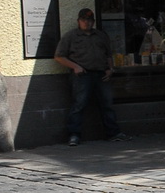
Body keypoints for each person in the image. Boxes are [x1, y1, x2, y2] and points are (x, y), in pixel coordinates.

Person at [54, 9, 126, 144]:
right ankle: (74, 135)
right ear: (78, 21)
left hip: (101, 74)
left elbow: (108, 54)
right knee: (79, 104)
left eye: (89, 20)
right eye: (83, 20)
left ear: (93, 21)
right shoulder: (71, 36)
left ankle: (113, 133)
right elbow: (59, 56)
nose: (86, 23)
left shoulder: (100, 35)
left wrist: (110, 69)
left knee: (107, 104)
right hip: (82, 75)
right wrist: (75, 66)